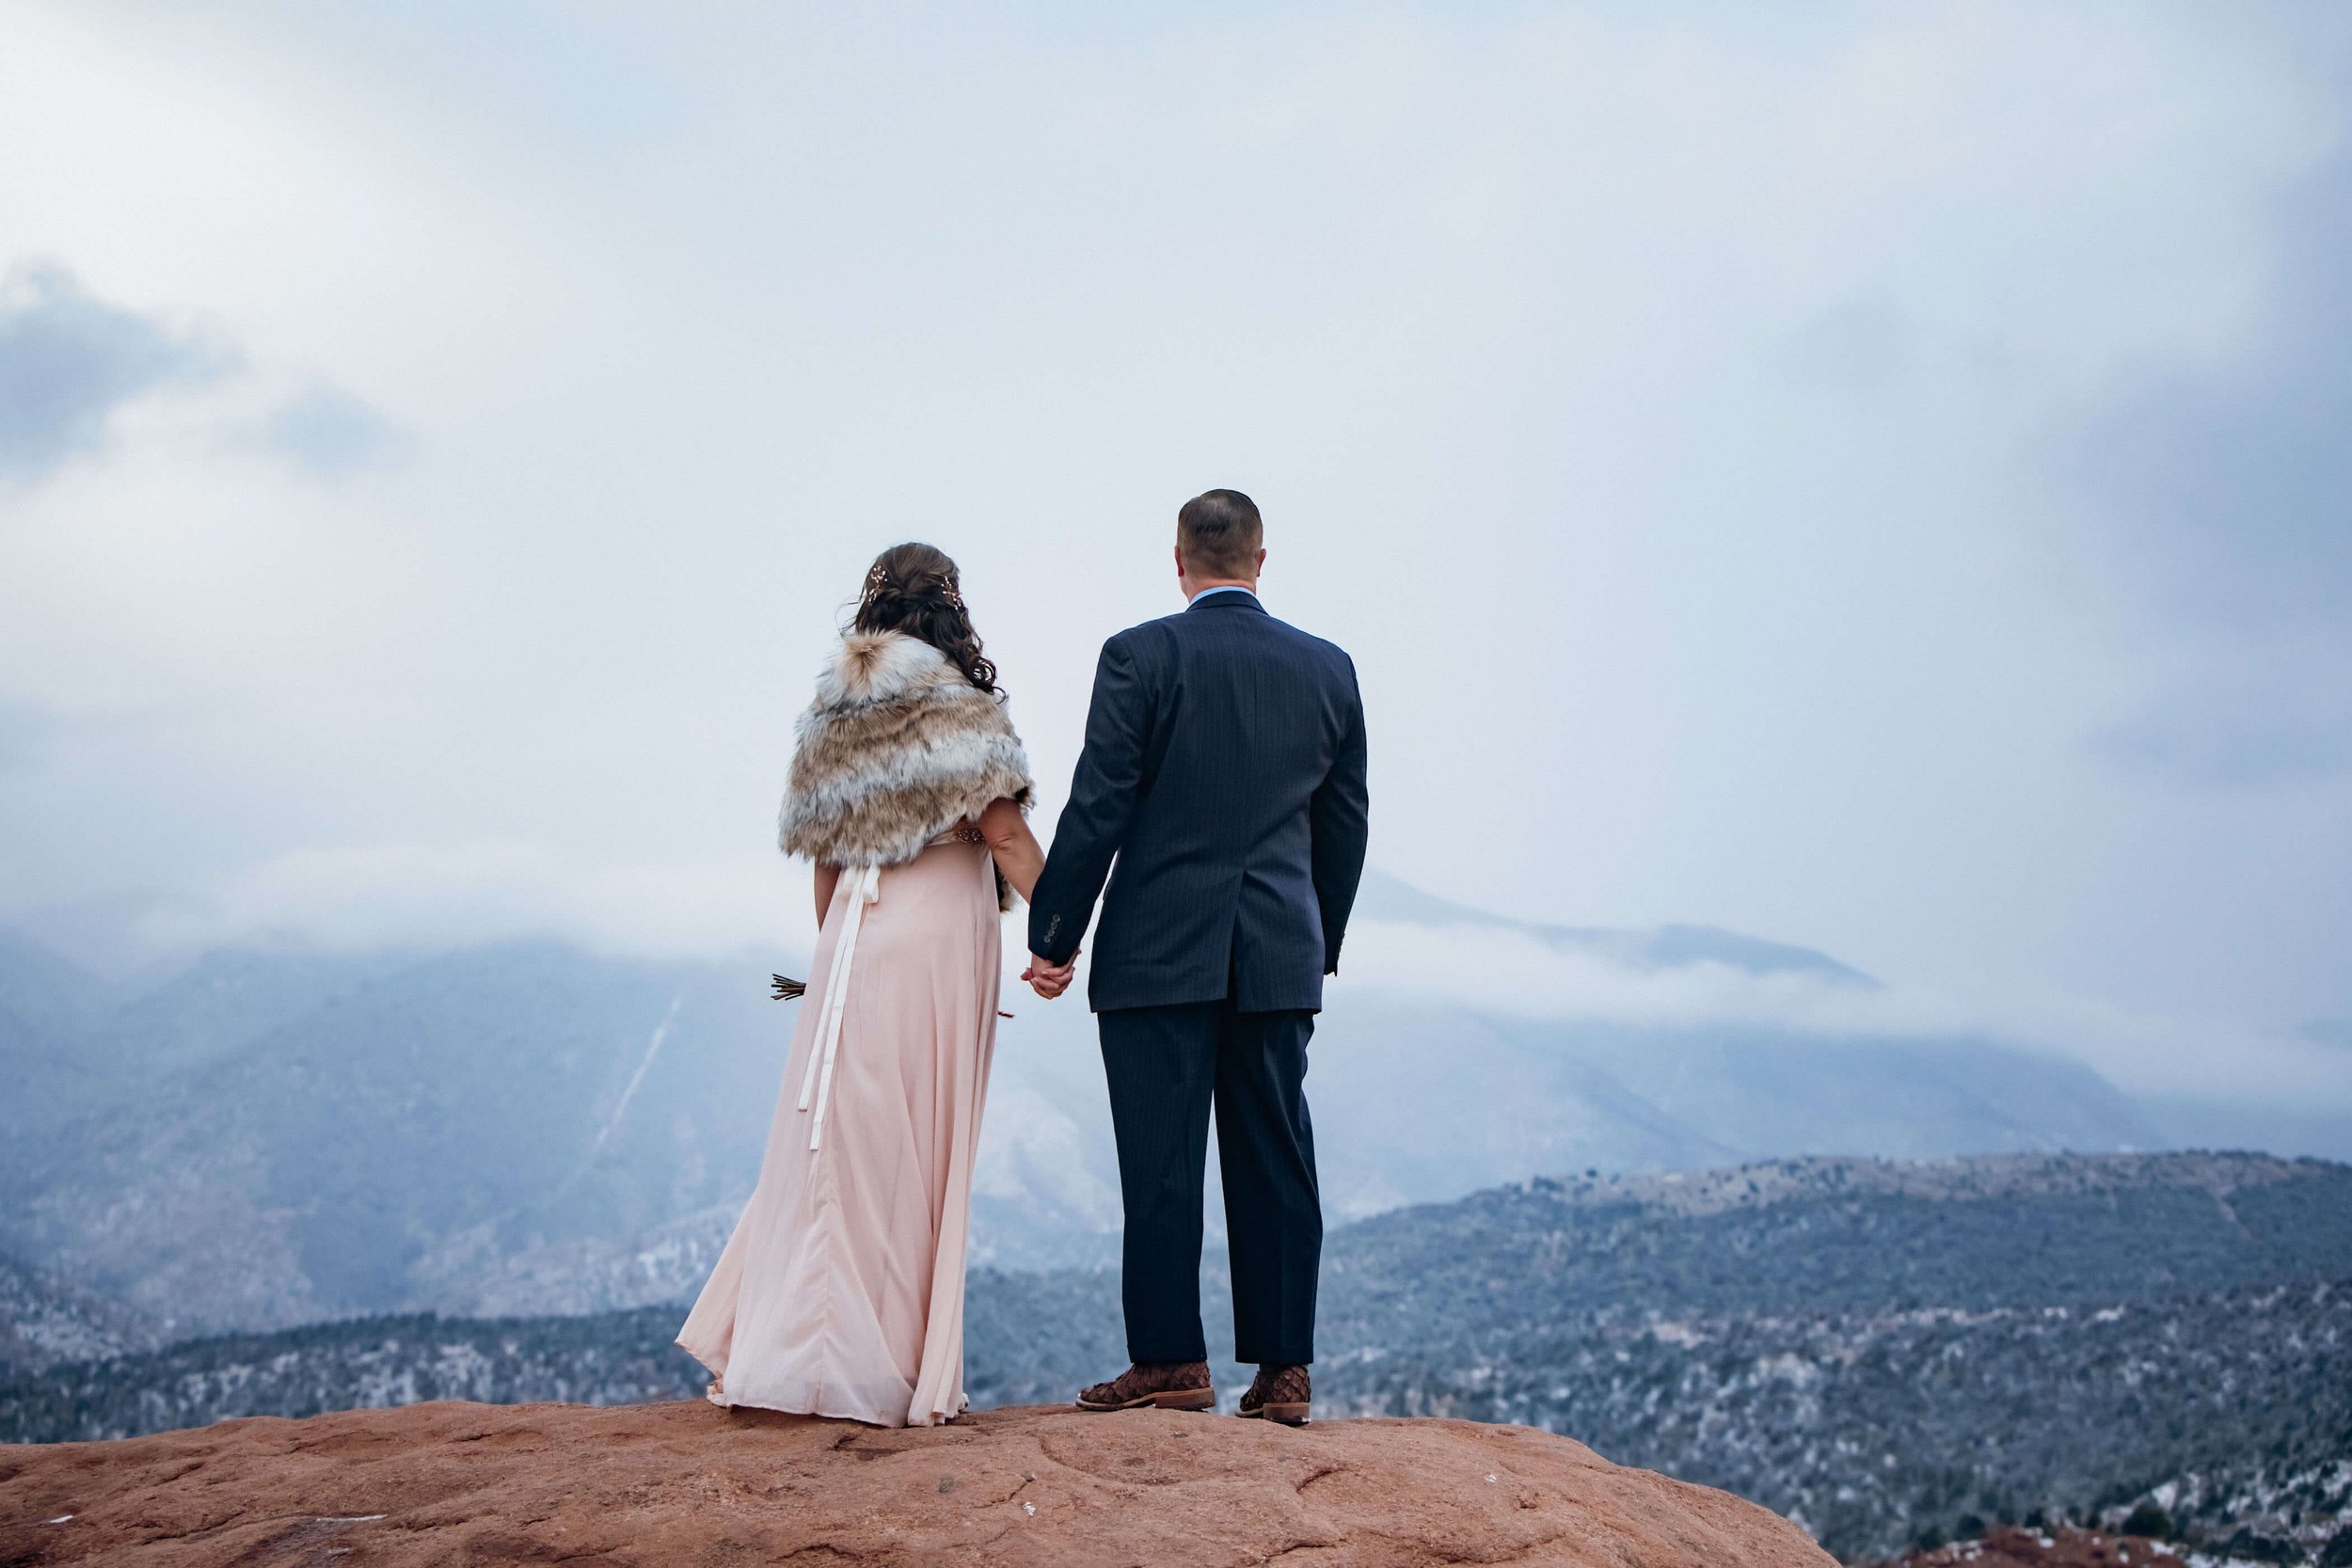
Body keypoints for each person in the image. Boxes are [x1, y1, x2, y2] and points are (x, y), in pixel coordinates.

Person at [677, 543, 1044, 1428]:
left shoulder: (830, 711)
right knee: (914, 1142)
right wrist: (1062, 930)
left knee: (837, 1140)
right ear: (951, 609)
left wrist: (843, 955)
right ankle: (893, 1364)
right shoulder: (962, 708)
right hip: (937, 936)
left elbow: (823, 861)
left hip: (853, 932)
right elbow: (1001, 832)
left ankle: (799, 1347)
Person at [1025, 488, 1370, 1426]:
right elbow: (1343, 828)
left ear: (1178, 561)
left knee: (1162, 1160)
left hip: (1154, 951)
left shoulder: (1141, 655)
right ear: (1261, 561)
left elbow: (1099, 804)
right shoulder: (1328, 669)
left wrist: (1054, 936)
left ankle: (1173, 1359)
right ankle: (1285, 1370)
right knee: (1275, 1156)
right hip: (1276, 952)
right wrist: (1315, 941)